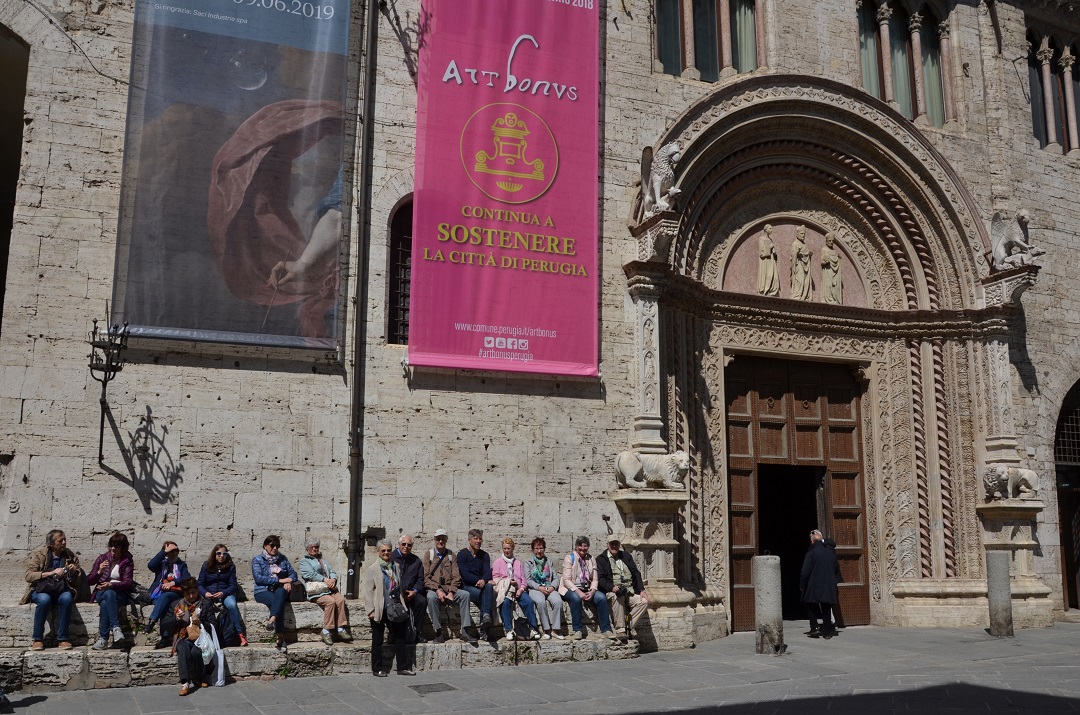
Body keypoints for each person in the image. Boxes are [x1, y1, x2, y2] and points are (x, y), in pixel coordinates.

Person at [362, 538, 414, 676]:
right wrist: (370, 610)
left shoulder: (395, 566)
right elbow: (367, 592)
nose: (386, 553)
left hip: (395, 606)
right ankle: (377, 668)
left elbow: (399, 586)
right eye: (383, 550)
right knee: (378, 639)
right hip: (380, 608)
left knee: (399, 637)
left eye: (388, 550)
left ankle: (402, 667)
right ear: (378, 552)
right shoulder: (372, 569)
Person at [22, 529, 80, 650]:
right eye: (60, 540)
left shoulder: (70, 555)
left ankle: (63, 638)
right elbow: (29, 576)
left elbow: (77, 581)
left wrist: (74, 572)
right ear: (51, 543)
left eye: (65, 539)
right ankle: (37, 639)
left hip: (61, 589)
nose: (64, 542)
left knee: (67, 598)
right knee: (44, 600)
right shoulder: (39, 554)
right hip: (42, 589)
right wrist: (51, 573)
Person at [298, 537, 352, 645]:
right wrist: (324, 579)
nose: (314, 549)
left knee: (340, 600)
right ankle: (326, 631)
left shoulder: (323, 561)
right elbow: (309, 574)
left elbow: (332, 572)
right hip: (317, 591)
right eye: (312, 547)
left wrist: (333, 579)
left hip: (329, 588)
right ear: (307, 549)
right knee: (330, 602)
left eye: (316, 547)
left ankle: (340, 628)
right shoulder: (304, 561)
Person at [559, 536, 615, 640]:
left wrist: (593, 591)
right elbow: (566, 580)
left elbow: (595, 578)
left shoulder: (591, 558)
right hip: (571, 588)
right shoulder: (569, 557)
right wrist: (578, 592)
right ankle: (578, 630)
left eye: (585, 546)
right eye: (580, 546)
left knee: (601, 598)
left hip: (587, 588)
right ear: (576, 546)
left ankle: (606, 629)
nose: (582, 548)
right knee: (576, 599)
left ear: (588, 547)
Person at [422, 528, 472, 644]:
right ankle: (438, 632)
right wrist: (438, 590)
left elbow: (456, 576)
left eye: (443, 539)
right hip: (434, 589)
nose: (440, 541)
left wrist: (451, 592)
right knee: (430, 597)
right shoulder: (428, 555)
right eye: (438, 539)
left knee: (465, 595)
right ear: (435, 540)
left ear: (446, 540)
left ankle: (465, 631)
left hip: (449, 588)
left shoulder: (451, 556)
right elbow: (426, 577)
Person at [161, 577, 210, 696]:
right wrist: (176, 619)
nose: (191, 596)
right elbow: (164, 625)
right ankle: (185, 683)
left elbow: (213, 624)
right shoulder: (176, 605)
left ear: (197, 591)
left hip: (199, 638)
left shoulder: (205, 604)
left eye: (193, 593)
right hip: (182, 637)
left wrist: (201, 622)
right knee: (183, 649)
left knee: (196, 652)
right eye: (188, 594)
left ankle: (200, 678)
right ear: (184, 593)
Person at [88, 531, 135, 650]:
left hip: (120, 594)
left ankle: (103, 639)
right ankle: (115, 628)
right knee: (108, 595)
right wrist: (99, 572)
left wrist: (111, 585)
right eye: (111, 546)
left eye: (117, 546)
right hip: (100, 592)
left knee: (106, 602)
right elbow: (89, 581)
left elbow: (128, 583)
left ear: (123, 548)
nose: (113, 549)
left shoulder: (127, 561)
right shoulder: (102, 558)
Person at [597, 536, 649, 640]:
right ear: (608, 545)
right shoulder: (601, 559)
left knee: (644, 601)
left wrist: (642, 590)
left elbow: (636, 573)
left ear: (619, 544)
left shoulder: (626, 556)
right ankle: (621, 630)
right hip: (612, 590)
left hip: (629, 590)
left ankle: (629, 624)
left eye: (616, 544)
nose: (614, 546)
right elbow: (601, 579)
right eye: (612, 544)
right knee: (618, 596)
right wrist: (611, 587)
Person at [251, 535, 298, 650]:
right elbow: (259, 578)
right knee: (278, 601)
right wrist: (279, 580)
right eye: (272, 545)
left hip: (279, 590)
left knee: (280, 594)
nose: (275, 548)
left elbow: (293, 574)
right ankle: (280, 637)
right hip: (262, 591)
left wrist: (289, 581)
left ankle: (272, 619)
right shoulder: (257, 560)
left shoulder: (283, 559)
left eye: (277, 546)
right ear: (265, 546)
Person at [490, 538, 541, 641]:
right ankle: (509, 630)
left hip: (518, 590)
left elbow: (524, 580)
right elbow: (495, 578)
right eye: (504, 548)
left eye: (508, 548)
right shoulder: (498, 563)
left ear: (512, 548)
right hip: (506, 590)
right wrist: (508, 581)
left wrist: (521, 590)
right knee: (505, 603)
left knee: (528, 602)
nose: (506, 550)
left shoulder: (517, 563)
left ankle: (533, 629)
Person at [198, 544, 247, 646]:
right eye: (219, 553)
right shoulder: (206, 565)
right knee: (202, 607)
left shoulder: (230, 566)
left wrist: (223, 593)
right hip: (209, 594)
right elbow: (200, 584)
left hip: (224, 593)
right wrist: (205, 593)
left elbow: (233, 585)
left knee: (232, 605)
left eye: (224, 554)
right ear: (214, 554)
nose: (221, 556)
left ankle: (240, 634)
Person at [145, 540, 190, 647]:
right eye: (171, 551)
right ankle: (165, 637)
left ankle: (152, 622)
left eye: (176, 550)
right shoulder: (161, 564)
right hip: (158, 594)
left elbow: (186, 578)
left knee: (166, 597)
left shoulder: (181, 565)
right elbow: (151, 565)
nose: (173, 553)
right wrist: (164, 552)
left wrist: (173, 583)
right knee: (165, 603)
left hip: (174, 593)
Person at [800, 529, 843, 639]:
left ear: (812, 542)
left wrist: (802, 585)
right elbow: (836, 569)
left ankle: (814, 627)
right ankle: (827, 633)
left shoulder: (811, 553)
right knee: (826, 607)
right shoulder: (830, 554)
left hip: (813, 584)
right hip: (827, 584)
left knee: (810, 603)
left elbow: (805, 571)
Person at [457, 528, 494, 641]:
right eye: (475, 538)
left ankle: (485, 616)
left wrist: (484, 580)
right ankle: (485, 630)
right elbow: (464, 574)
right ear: (469, 540)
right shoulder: (462, 554)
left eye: (480, 539)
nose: (478, 541)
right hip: (468, 587)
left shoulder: (484, 555)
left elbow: (487, 572)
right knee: (485, 596)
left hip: (481, 586)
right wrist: (478, 581)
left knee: (488, 587)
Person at [390, 534, 427, 643]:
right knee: (392, 604)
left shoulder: (416, 561)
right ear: (399, 545)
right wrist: (399, 592)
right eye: (404, 544)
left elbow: (421, 580)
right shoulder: (392, 558)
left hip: (411, 591)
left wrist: (414, 592)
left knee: (422, 601)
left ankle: (418, 632)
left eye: (409, 545)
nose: (406, 547)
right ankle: (393, 634)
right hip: (396, 592)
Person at [525, 537, 563, 640]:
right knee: (541, 602)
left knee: (558, 601)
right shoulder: (528, 562)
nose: (539, 551)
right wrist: (539, 588)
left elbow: (555, 578)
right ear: (533, 549)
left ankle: (556, 630)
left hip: (549, 587)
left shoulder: (548, 562)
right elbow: (528, 580)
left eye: (541, 548)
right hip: (535, 589)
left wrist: (552, 587)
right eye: (537, 548)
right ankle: (546, 630)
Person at [790, 225, 813, 300]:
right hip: (798, 265)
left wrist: (808, 254)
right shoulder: (795, 243)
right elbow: (793, 255)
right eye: (801, 234)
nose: (803, 236)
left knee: (804, 280)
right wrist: (797, 252)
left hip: (805, 266)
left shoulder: (805, 245)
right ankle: (796, 295)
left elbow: (805, 254)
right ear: (797, 234)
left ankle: (803, 295)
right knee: (799, 279)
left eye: (804, 234)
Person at [757, 224, 780, 296]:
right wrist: (770, 247)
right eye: (770, 228)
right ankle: (765, 289)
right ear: (766, 229)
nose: (771, 230)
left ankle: (772, 289)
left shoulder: (770, 240)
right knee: (766, 274)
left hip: (771, 260)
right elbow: (761, 253)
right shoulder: (761, 239)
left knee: (773, 276)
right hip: (765, 261)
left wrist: (774, 253)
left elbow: (772, 250)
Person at [820, 232, 843, 304]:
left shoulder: (834, 251)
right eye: (829, 240)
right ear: (826, 240)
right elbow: (822, 262)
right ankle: (828, 298)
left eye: (832, 241)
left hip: (834, 273)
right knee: (828, 285)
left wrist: (838, 258)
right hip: (827, 272)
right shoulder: (824, 250)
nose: (831, 242)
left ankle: (834, 298)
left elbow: (837, 262)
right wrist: (826, 262)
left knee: (834, 286)